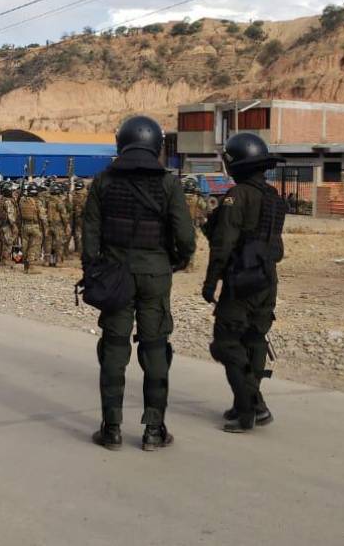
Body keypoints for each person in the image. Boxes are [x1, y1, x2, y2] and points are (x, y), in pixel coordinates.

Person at [83, 115, 196, 451]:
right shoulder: (168, 183)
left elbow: (90, 235)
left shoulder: (103, 181)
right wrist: (175, 260)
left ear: (123, 142)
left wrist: (94, 273)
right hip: (155, 275)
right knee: (156, 348)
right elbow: (186, 237)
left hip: (116, 277)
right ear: (156, 145)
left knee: (114, 349)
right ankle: (153, 429)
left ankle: (112, 429)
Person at [202, 132, 287, 433]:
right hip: (267, 280)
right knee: (253, 340)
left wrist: (210, 283)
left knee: (226, 343)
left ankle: (251, 407)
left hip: (242, 281)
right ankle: (247, 403)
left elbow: (223, 245)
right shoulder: (273, 197)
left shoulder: (237, 196)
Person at [18, 182, 48, 274]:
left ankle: (25, 267)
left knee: (25, 246)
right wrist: (45, 228)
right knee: (34, 246)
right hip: (35, 226)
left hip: (24, 226)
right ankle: (31, 267)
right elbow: (43, 217)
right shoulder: (38, 202)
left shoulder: (22, 201)